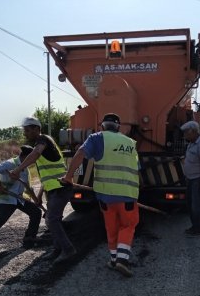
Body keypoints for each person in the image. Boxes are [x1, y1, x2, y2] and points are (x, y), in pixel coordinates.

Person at [61, 113, 139, 277]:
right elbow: (137, 168)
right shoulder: (130, 143)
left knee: (111, 227)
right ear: (118, 127)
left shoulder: (97, 138)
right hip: (128, 195)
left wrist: (69, 176)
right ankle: (122, 260)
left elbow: (80, 154)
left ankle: (113, 260)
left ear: (102, 126)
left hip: (105, 196)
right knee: (127, 225)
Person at [9, 117, 76, 264]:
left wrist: (19, 169)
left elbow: (35, 154)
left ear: (36, 129)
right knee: (54, 220)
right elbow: (46, 176)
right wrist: (39, 195)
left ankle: (68, 250)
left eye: (27, 130)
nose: (25, 133)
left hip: (61, 187)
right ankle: (58, 249)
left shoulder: (43, 140)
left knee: (51, 219)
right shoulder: (43, 144)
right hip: (53, 189)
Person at [180, 121, 200, 237]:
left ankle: (199, 229)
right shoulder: (192, 144)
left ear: (192, 131)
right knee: (191, 204)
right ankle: (194, 227)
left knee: (197, 206)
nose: (184, 135)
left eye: (185, 133)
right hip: (191, 179)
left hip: (198, 180)